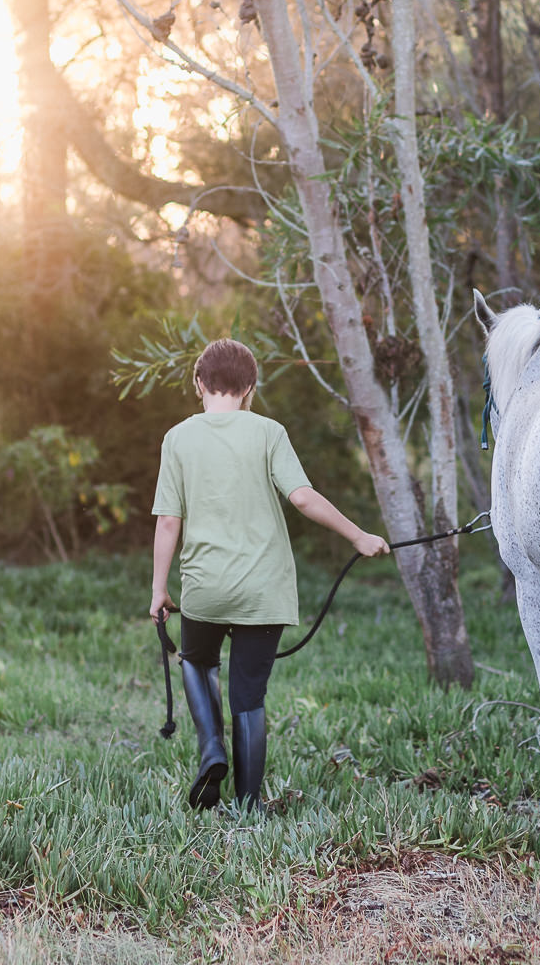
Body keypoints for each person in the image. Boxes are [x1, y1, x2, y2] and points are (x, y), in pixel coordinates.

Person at [150, 338, 389, 813]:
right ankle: (248, 804)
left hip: (205, 586)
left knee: (196, 661)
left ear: (199, 383)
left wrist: (159, 588)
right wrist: (359, 536)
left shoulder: (177, 438)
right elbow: (301, 497)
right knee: (249, 693)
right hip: (263, 588)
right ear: (250, 387)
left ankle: (212, 751)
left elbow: (168, 521)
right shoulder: (269, 432)